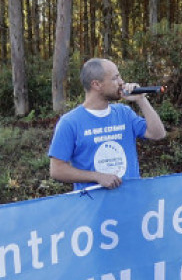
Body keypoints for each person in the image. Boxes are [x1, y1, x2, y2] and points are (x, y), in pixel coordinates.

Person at [48, 57, 167, 190]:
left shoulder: (124, 113)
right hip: (93, 206)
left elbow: (158, 134)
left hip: (131, 200)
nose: (121, 82)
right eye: (115, 78)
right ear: (96, 84)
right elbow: (57, 170)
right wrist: (97, 176)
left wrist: (141, 100)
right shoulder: (70, 122)